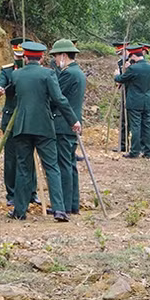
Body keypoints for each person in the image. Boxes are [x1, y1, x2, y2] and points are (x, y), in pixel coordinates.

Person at [9, 41, 81, 222]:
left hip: (22, 127)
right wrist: (73, 120)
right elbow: (59, 99)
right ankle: (59, 209)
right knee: (52, 167)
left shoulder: (16, 75)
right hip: (44, 127)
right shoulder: (48, 74)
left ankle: (19, 210)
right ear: (41, 58)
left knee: (24, 168)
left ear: (25, 57)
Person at [49, 39, 86, 215]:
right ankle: (72, 204)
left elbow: (57, 98)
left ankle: (63, 204)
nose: (55, 60)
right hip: (71, 123)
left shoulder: (68, 74)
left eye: (56, 56)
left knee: (63, 164)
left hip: (63, 124)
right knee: (70, 164)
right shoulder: (76, 72)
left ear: (63, 55)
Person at [0, 37, 27, 206]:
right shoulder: (7, 71)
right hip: (10, 118)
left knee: (30, 157)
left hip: (27, 117)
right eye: (17, 54)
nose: (20, 57)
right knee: (11, 158)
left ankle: (31, 192)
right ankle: (12, 194)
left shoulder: (32, 69)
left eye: (22, 54)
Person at [113, 44, 150, 159]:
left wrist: (117, 74)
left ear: (134, 56)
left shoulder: (133, 68)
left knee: (135, 126)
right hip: (147, 101)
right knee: (147, 126)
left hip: (134, 101)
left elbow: (121, 79)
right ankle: (148, 151)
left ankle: (135, 151)